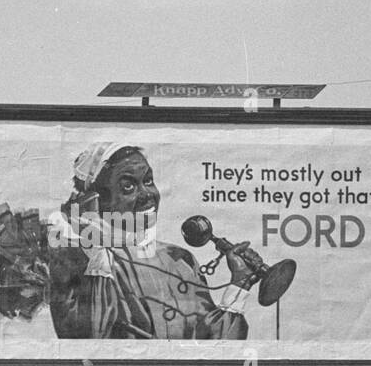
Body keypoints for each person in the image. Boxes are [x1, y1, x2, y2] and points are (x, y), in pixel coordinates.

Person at [46, 143, 256, 340]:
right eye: (128, 186)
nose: (147, 194)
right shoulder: (80, 260)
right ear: (97, 200)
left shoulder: (179, 259)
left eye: (148, 181)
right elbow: (88, 336)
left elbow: (213, 342)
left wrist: (240, 282)